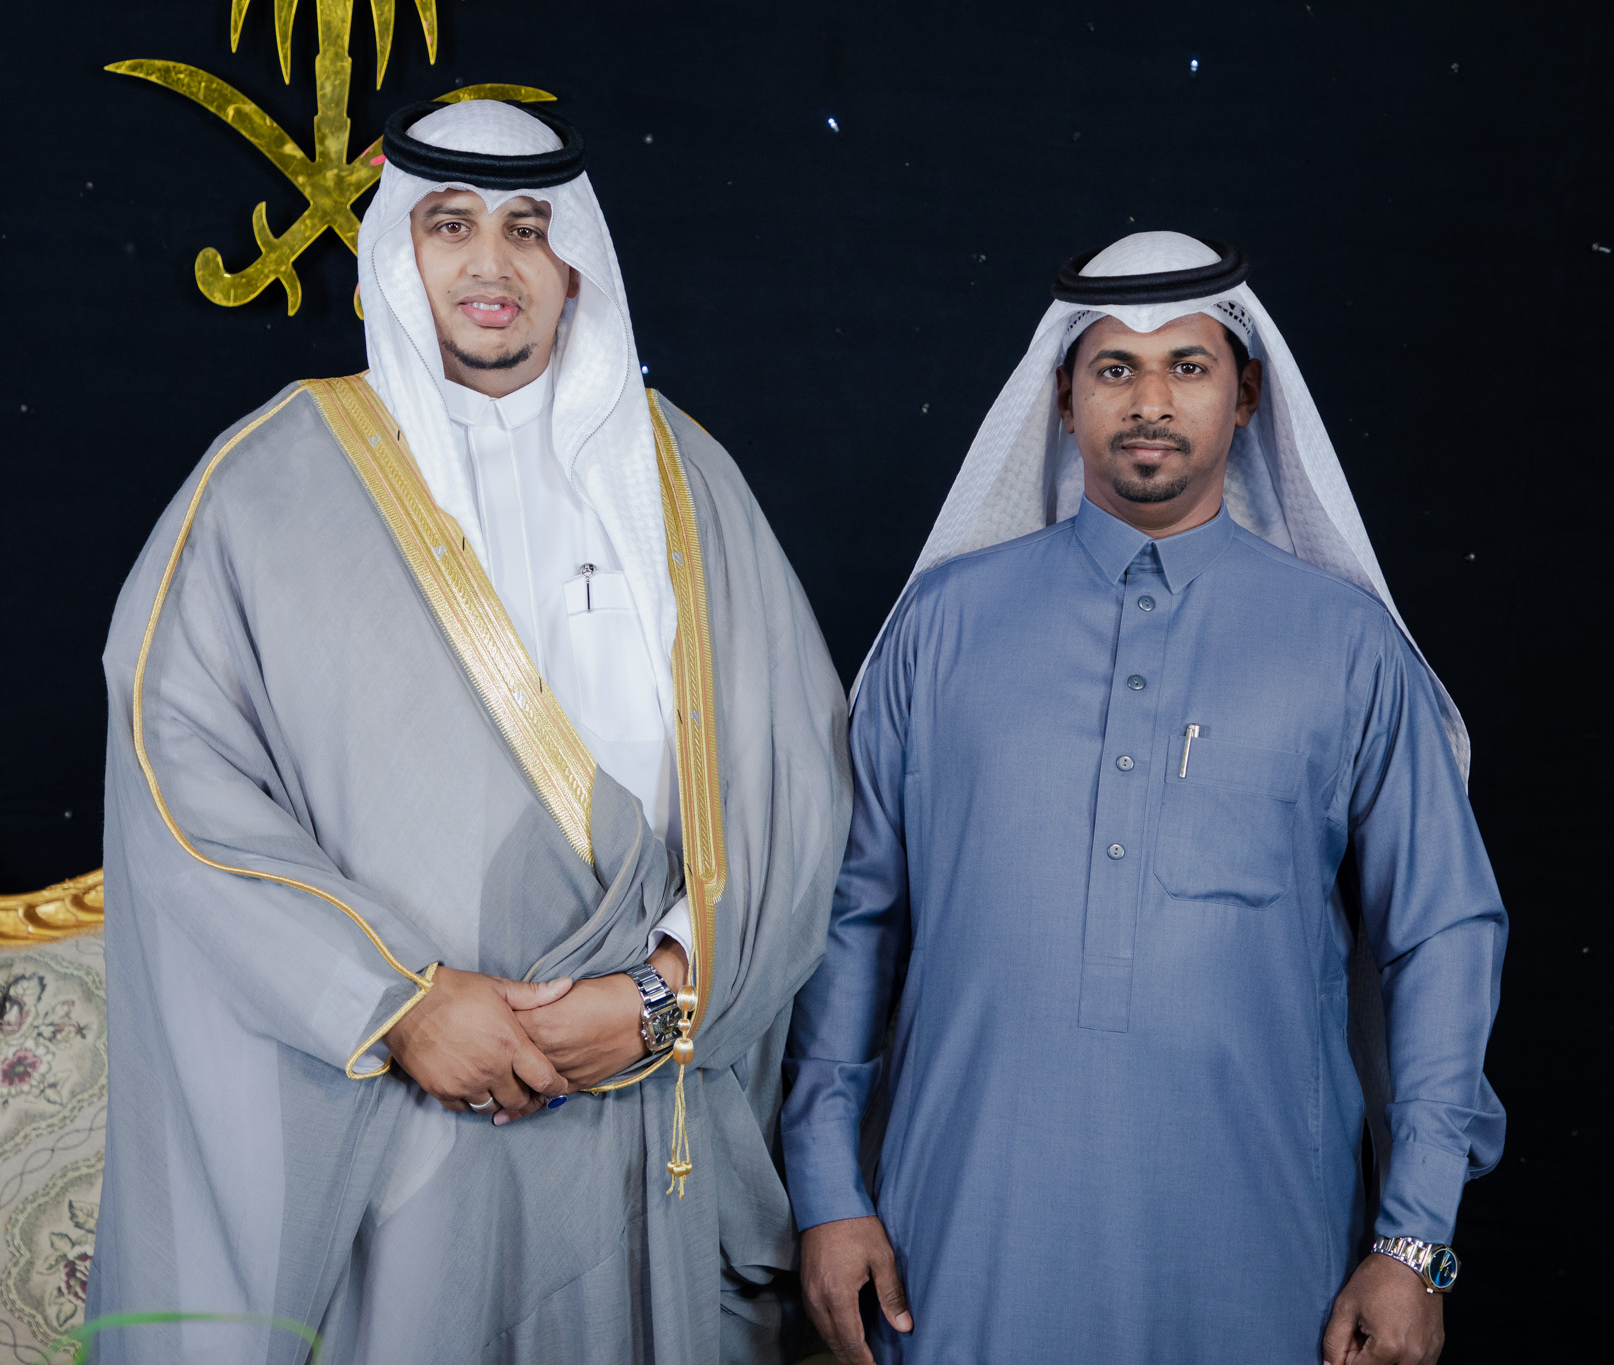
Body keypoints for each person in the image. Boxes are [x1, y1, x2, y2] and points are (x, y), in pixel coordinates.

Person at [89, 98, 849, 1362]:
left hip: (637, 1111)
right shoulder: (268, 485)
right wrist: (397, 1004)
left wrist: (661, 995)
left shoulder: (687, 482)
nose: (490, 265)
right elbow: (180, 784)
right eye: (450, 225)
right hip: (403, 1131)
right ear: (400, 248)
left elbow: (797, 790)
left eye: (526, 229)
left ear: (575, 261)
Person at [782, 231, 1506, 1364]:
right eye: (1114, 367)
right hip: (961, 1240)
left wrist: (1414, 1240)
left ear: (1246, 396)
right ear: (1063, 399)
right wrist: (827, 1188)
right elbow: (848, 921)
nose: (1150, 401)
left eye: (1188, 366)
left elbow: (1443, 933)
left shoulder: (1347, 646)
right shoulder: (941, 628)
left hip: (1266, 1251)